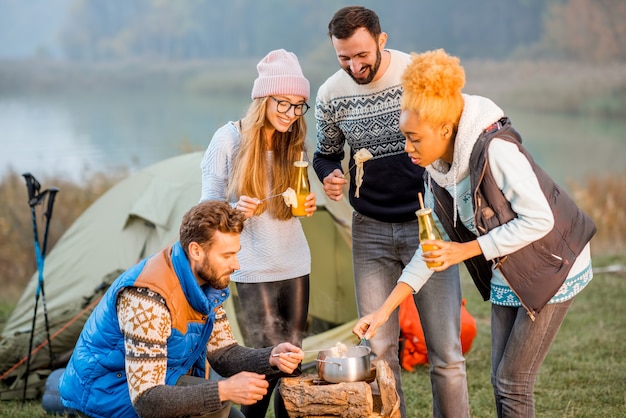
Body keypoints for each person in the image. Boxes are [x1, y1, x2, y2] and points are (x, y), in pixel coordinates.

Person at [353, 48, 596, 418]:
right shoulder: (436, 169)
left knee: (514, 382)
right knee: (501, 381)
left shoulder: (496, 150)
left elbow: (539, 220)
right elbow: (433, 249)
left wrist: (464, 251)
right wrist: (385, 311)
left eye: (414, 138)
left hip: (554, 263)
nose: (407, 148)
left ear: (445, 130)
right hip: (508, 265)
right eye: (406, 136)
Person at [312, 6, 468, 418]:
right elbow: (326, 154)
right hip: (370, 229)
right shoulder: (330, 93)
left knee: (446, 351)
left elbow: (452, 134)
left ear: (381, 40)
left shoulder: (416, 76)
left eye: (361, 55)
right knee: (378, 347)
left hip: (429, 222)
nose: (354, 65)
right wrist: (329, 175)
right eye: (344, 57)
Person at [59, 200, 305, 418]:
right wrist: (224, 390)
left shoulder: (207, 285)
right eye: (227, 255)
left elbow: (223, 353)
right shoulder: (149, 298)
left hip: (158, 383)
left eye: (236, 254)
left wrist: (270, 357)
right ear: (196, 250)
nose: (236, 264)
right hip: (107, 398)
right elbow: (147, 401)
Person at [200, 48, 316, 418]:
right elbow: (204, 216)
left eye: (299, 106)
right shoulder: (228, 140)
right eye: (283, 103)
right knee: (264, 365)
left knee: (292, 363)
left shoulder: (292, 141)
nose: (291, 114)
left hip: (295, 263)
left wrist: (307, 206)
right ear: (263, 99)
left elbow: (294, 206)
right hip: (251, 269)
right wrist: (234, 213)